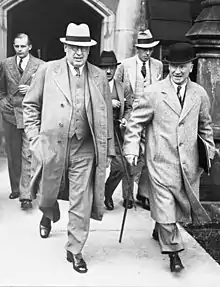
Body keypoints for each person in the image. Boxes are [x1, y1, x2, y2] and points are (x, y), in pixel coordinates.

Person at [23, 23, 115, 273]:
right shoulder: (47, 70)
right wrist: (34, 138)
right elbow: (30, 105)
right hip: (52, 146)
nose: (78, 52)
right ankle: (48, 214)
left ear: (89, 50)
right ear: (65, 47)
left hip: (85, 147)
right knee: (47, 193)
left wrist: (108, 152)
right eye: (73, 47)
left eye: (83, 48)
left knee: (81, 201)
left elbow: (106, 116)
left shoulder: (97, 76)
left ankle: (75, 249)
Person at [123, 42, 215, 272]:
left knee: (176, 209)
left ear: (191, 67)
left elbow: (205, 126)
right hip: (160, 162)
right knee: (165, 207)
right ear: (168, 66)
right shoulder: (154, 92)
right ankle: (174, 253)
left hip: (188, 164)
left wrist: (209, 151)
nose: (177, 71)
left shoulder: (199, 94)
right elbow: (135, 122)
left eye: (182, 66)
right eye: (173, 66)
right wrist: (132, 148)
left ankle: (159, 228)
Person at [115, 29, 163, 209]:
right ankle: (127, 195)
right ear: (137, 49)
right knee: (130, 156)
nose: (147, 53)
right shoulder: (125, 66)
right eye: (144, 49)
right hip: (131, 117)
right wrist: (122, 115)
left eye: (150, 49)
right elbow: (117, 88)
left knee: (149, 156)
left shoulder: (158, 66)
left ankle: (143, 193)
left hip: (151, 119)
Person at [0, 33, 44, 209]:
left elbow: (45, 91)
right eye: (17, 46)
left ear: (30, 47)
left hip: (29, 115)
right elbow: (1, 88)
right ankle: (16, 188)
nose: (19, 50)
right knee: (12, 153)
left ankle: (26, 195)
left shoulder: (40, 66)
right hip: (10, 114)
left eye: (23, 47)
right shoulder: (5, 64)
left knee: (27, 154)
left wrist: (32, 88)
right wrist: (2, 103)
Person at [99, 50, 132, 210]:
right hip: (98, 132)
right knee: (95, 167)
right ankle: (93, 198)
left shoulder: (122, 86)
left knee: (119, 166)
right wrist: (107, 102)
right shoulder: (94, 85)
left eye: (111, 67)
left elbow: (130, 106)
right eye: (105, 67)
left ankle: (107, 192)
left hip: (117, 132)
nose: (108, 71)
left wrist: (125, 118)